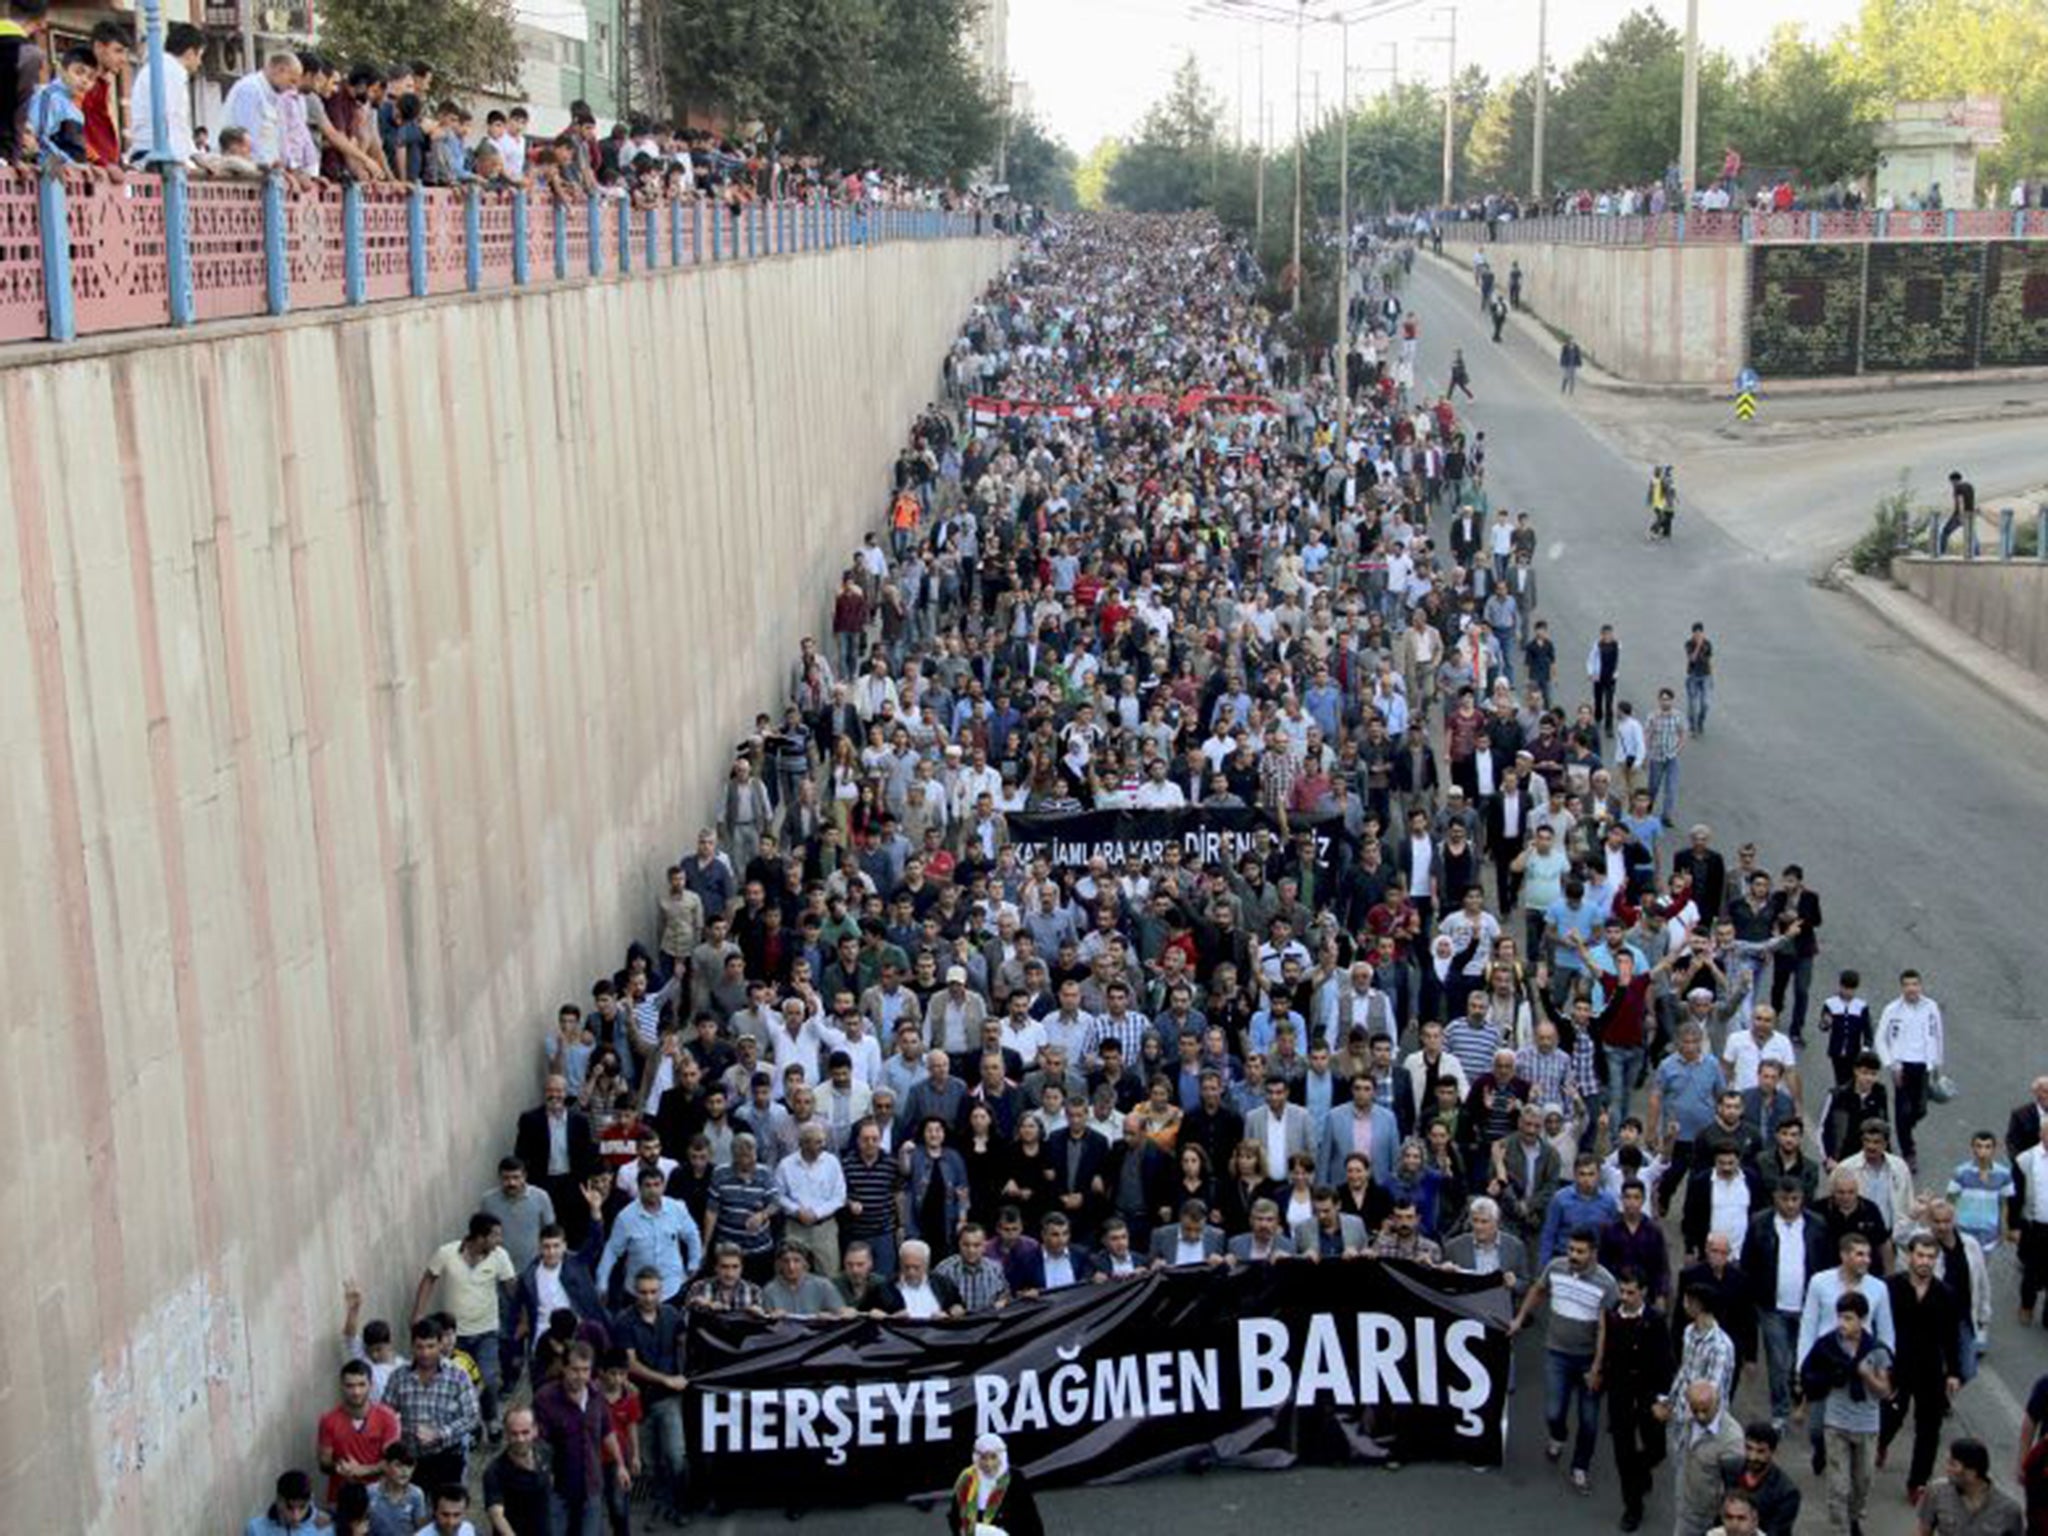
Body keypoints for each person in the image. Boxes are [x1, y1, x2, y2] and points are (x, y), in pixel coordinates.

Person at [1511, 1228, 1617, 1492]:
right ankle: (1558, 1436)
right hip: (1556, 1353)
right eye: (1571, 1249)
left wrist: (1597, 1367)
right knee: (1553, 1411)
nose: (1573, 1255)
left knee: (1589, 1420)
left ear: (1593, 1253)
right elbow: (1538, 1289)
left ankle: (1580, 1467)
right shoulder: (1556, 1268)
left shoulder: (1606, 1283)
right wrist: (1520, 1319)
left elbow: (1606, 1328)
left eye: (1580, 1251)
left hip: (1588, 1359)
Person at [1800, 1290, 1893, 1536]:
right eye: (1840, 1317)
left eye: (1849, 1318)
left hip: (1866, 1424)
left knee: (1863, 1481)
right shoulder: (1827, 1345)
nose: (1843, 1324)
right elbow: (1810, 1375)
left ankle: (1854, 1517)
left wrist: (1866, 1375)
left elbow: (1885, 1390)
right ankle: (1841, 1528)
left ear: (1862, 1320)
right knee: (1839, 1485)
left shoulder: (1876, 1350)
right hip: (1837, 1422)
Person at [1603, 1267, 1672, 1531]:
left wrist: (1663, 1398)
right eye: (1622, 1291)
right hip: (1620, 1395)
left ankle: (1641, 1470)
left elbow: (1666, 1362)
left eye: (1631, 1292)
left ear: (1643, 1292)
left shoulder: (1654, 1321)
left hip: (1648, 1395)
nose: (1625, 1297)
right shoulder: (1612, 1316)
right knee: (1623, 1455)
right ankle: (1632, 1508)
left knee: (1657, 1449)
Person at [1920, 1437, 2023, 1534]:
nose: (1947, 1469)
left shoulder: (2009, 1511)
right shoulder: (1937, 1492)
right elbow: (1923, 1531)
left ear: (1972, 1472)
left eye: (1953, 1465)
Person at [949, 1433, 1045, 1536]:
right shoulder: (966, 1480)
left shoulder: (1015, 1479)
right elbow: (956, 1517)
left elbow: (1031, 1520)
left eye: (993, 1457)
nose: (988, 1464)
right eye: (983, 1458)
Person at [1718, 1422, 1802, 1536]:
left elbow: (1777, 1532)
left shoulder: (1786, 1493)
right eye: (1749, 1448)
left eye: (1760, 1451)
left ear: (1773, 1452)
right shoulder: (1729, 1470)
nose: (1753, 1456)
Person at [481, 1407, 553, 1536]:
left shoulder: (545, 1452)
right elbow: (497, 1516)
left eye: (525, 1432)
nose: (520, 1439)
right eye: (514, 1433)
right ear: (506, 1434)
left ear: (535, 1430)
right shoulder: (495, 1472)